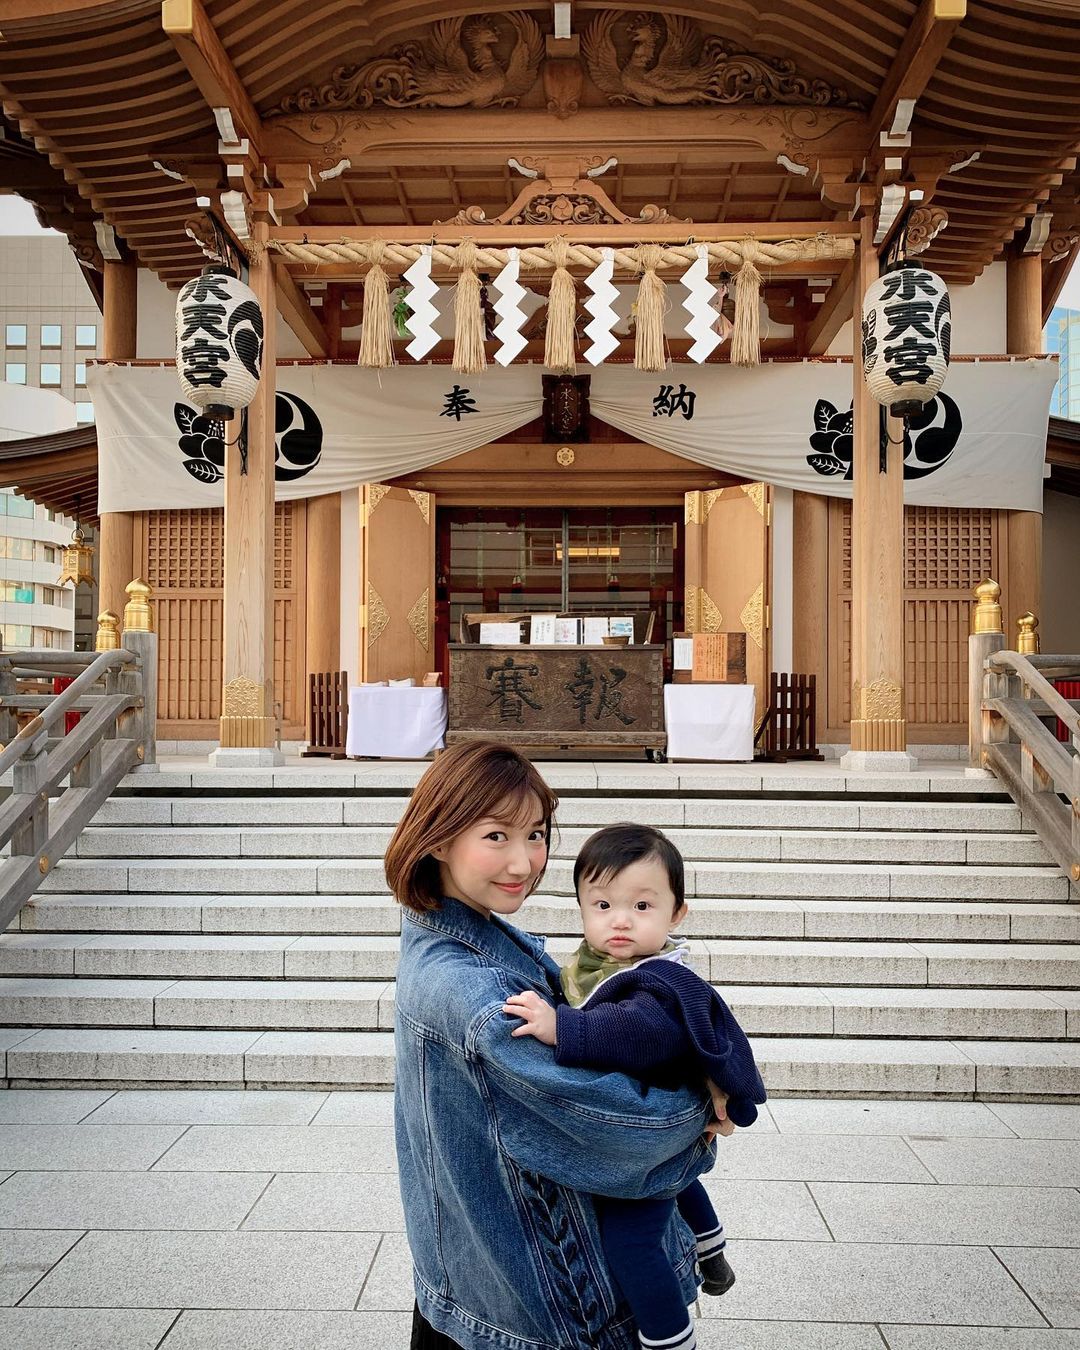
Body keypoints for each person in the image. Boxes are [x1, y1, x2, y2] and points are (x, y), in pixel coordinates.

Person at [384, 741, 728, 1350]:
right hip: (543, 1302)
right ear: (437, 837)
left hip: (479, 1284)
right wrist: (702, 1106)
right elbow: (624, 1126)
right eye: (496, 836)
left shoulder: (469, 928)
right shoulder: (474, 997)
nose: (523, 861)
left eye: (536, 834)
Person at [505, 822, 767, 1350]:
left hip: (646, 1129)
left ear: (677, 914)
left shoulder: (660, 979)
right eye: (602, 905)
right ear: (581, 907)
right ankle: (711, 1248)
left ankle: (670, 1337)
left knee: (630, 1239)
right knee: (676, 1177)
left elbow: (636, 1033)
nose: (620, 920)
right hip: (657, 1127)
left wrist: (564, 1027)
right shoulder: (596, 965)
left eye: (642, 907)